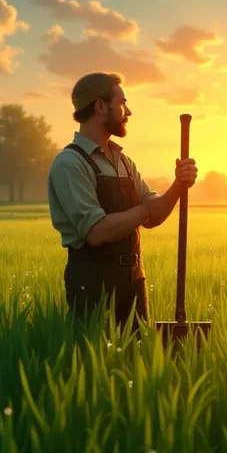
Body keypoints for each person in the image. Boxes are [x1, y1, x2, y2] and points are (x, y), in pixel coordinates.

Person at [47, 71, 198, 334]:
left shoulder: (124, 162)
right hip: (93, 282)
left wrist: (178, 185)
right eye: (123, 103)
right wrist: (144, 209)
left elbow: (154, 217)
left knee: (135, 360)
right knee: (95, 364)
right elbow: (96, 232)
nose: (128, 112)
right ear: (101, 106)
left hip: (133, 280)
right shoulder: (70, 164)